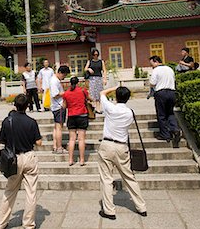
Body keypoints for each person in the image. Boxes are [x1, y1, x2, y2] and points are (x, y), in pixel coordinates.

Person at [98, 86, 147, 220]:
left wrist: (114, 87)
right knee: (129, 177)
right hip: (121, 147)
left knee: (106, 178)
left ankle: (109, 210)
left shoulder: (110, 107)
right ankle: (141, 207)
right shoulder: (130, 112)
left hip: (107, 145)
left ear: (117, 96)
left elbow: (102, 93)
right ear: (128, 98)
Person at [0, 94, 42, 229]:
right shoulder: (32, 122)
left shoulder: (7, 121)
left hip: (14, 160)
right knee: (31, 192)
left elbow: (1, 140)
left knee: (10, 191)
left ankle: (1, 223)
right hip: (29, 157)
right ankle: (28, 224)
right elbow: (38, 142)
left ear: (15, 105)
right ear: (27, 106)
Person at [149, 56, 181, 147]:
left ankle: (165, 135)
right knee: (170, 113)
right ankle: (175, 129)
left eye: (152, 63)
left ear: (156, 62)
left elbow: (153, 83)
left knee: (161, 114)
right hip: (171, 92)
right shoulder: (169, 69)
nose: (152, 66)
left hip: (161, 93)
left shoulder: (156, 70)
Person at [63, 76, 90, 166]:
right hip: (82, 115)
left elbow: (64, 106)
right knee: (81, 139)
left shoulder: (66, 93)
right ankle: (82, 160)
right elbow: (90, 98)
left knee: (72, 139)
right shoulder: (83, 91)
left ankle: (70, 160)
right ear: (78, 82)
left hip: (71, 116)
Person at [50, 65, 70, 154]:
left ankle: (55, 146)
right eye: (64, 75)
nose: (64, 77)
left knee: (56, 127)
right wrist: (65, 93)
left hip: (56, 106)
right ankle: (59, 147)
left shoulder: (55, 80)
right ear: (61, 73)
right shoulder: (54, 81)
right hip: (59, 106)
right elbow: (55, 94)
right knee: (59, 128)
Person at [84, 49, 106, 113]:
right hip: (92, 79)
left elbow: (104, 70)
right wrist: (89, 69)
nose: (95, 56)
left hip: (99, 78)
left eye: (97, 54)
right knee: (92, 93)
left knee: (99, 93)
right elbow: (85, 69)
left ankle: (98, 109)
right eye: (94, 54)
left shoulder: (101, 62)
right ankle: (93, 108)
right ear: (92, 55)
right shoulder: (90, 61)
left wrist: (104, 79)